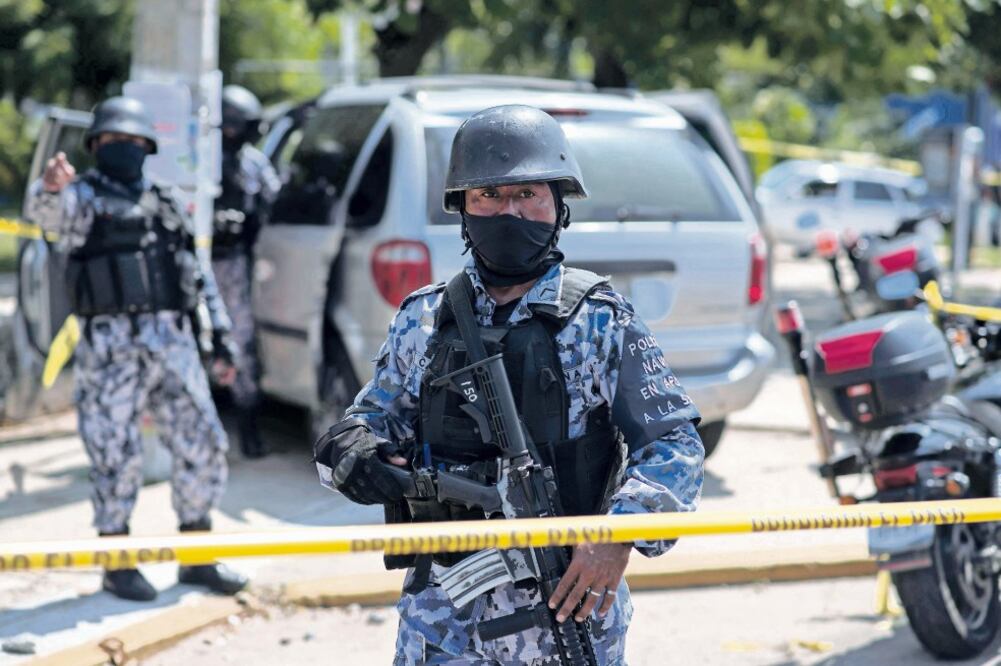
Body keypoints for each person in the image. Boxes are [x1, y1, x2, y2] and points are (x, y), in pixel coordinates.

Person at [314, 105, 704, 665]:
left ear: (559, 206)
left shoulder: (600, 319)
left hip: (565, 607)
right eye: (489, 197)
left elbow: (674, 443)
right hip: (441, 621)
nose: (509, 211)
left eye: (528, 195)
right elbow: (369, 421)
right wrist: (355, 451)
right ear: (464, 211)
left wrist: (617, 535)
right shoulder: (423, 317)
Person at [25, 96, 248, 602]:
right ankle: (116, 562)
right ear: (95, 146)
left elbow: (198, 275)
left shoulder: (167, 201)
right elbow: (48, 216)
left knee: (201, 442)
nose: (122, 148)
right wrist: (48, 188)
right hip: (110, 350)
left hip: (173, 342)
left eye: (130, 141)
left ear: (147, 147)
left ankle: (196, 555)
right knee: (113, 454)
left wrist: (222, 338)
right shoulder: (81, 198)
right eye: (111, 141)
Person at [211, 84, 281, 459]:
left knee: (240, 345)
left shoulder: (252, 162)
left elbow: (274, 197)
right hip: (198, 263)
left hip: (235, 264)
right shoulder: (198, 160)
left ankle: (249, 429)